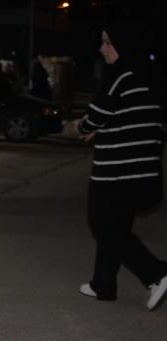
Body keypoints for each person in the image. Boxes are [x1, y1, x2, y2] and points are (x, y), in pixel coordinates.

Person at [73, 22, 167, 310]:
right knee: (117, 228)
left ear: (123, 45)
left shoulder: (119, 77)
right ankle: (103, 284)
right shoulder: (149, 77)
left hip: (116, 171)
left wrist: (82, 126)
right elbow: (136, 118)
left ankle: (157, 273)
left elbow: (94, 117)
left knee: (103, 226)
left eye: (108, 42)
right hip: (143, 172)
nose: (102, 49)